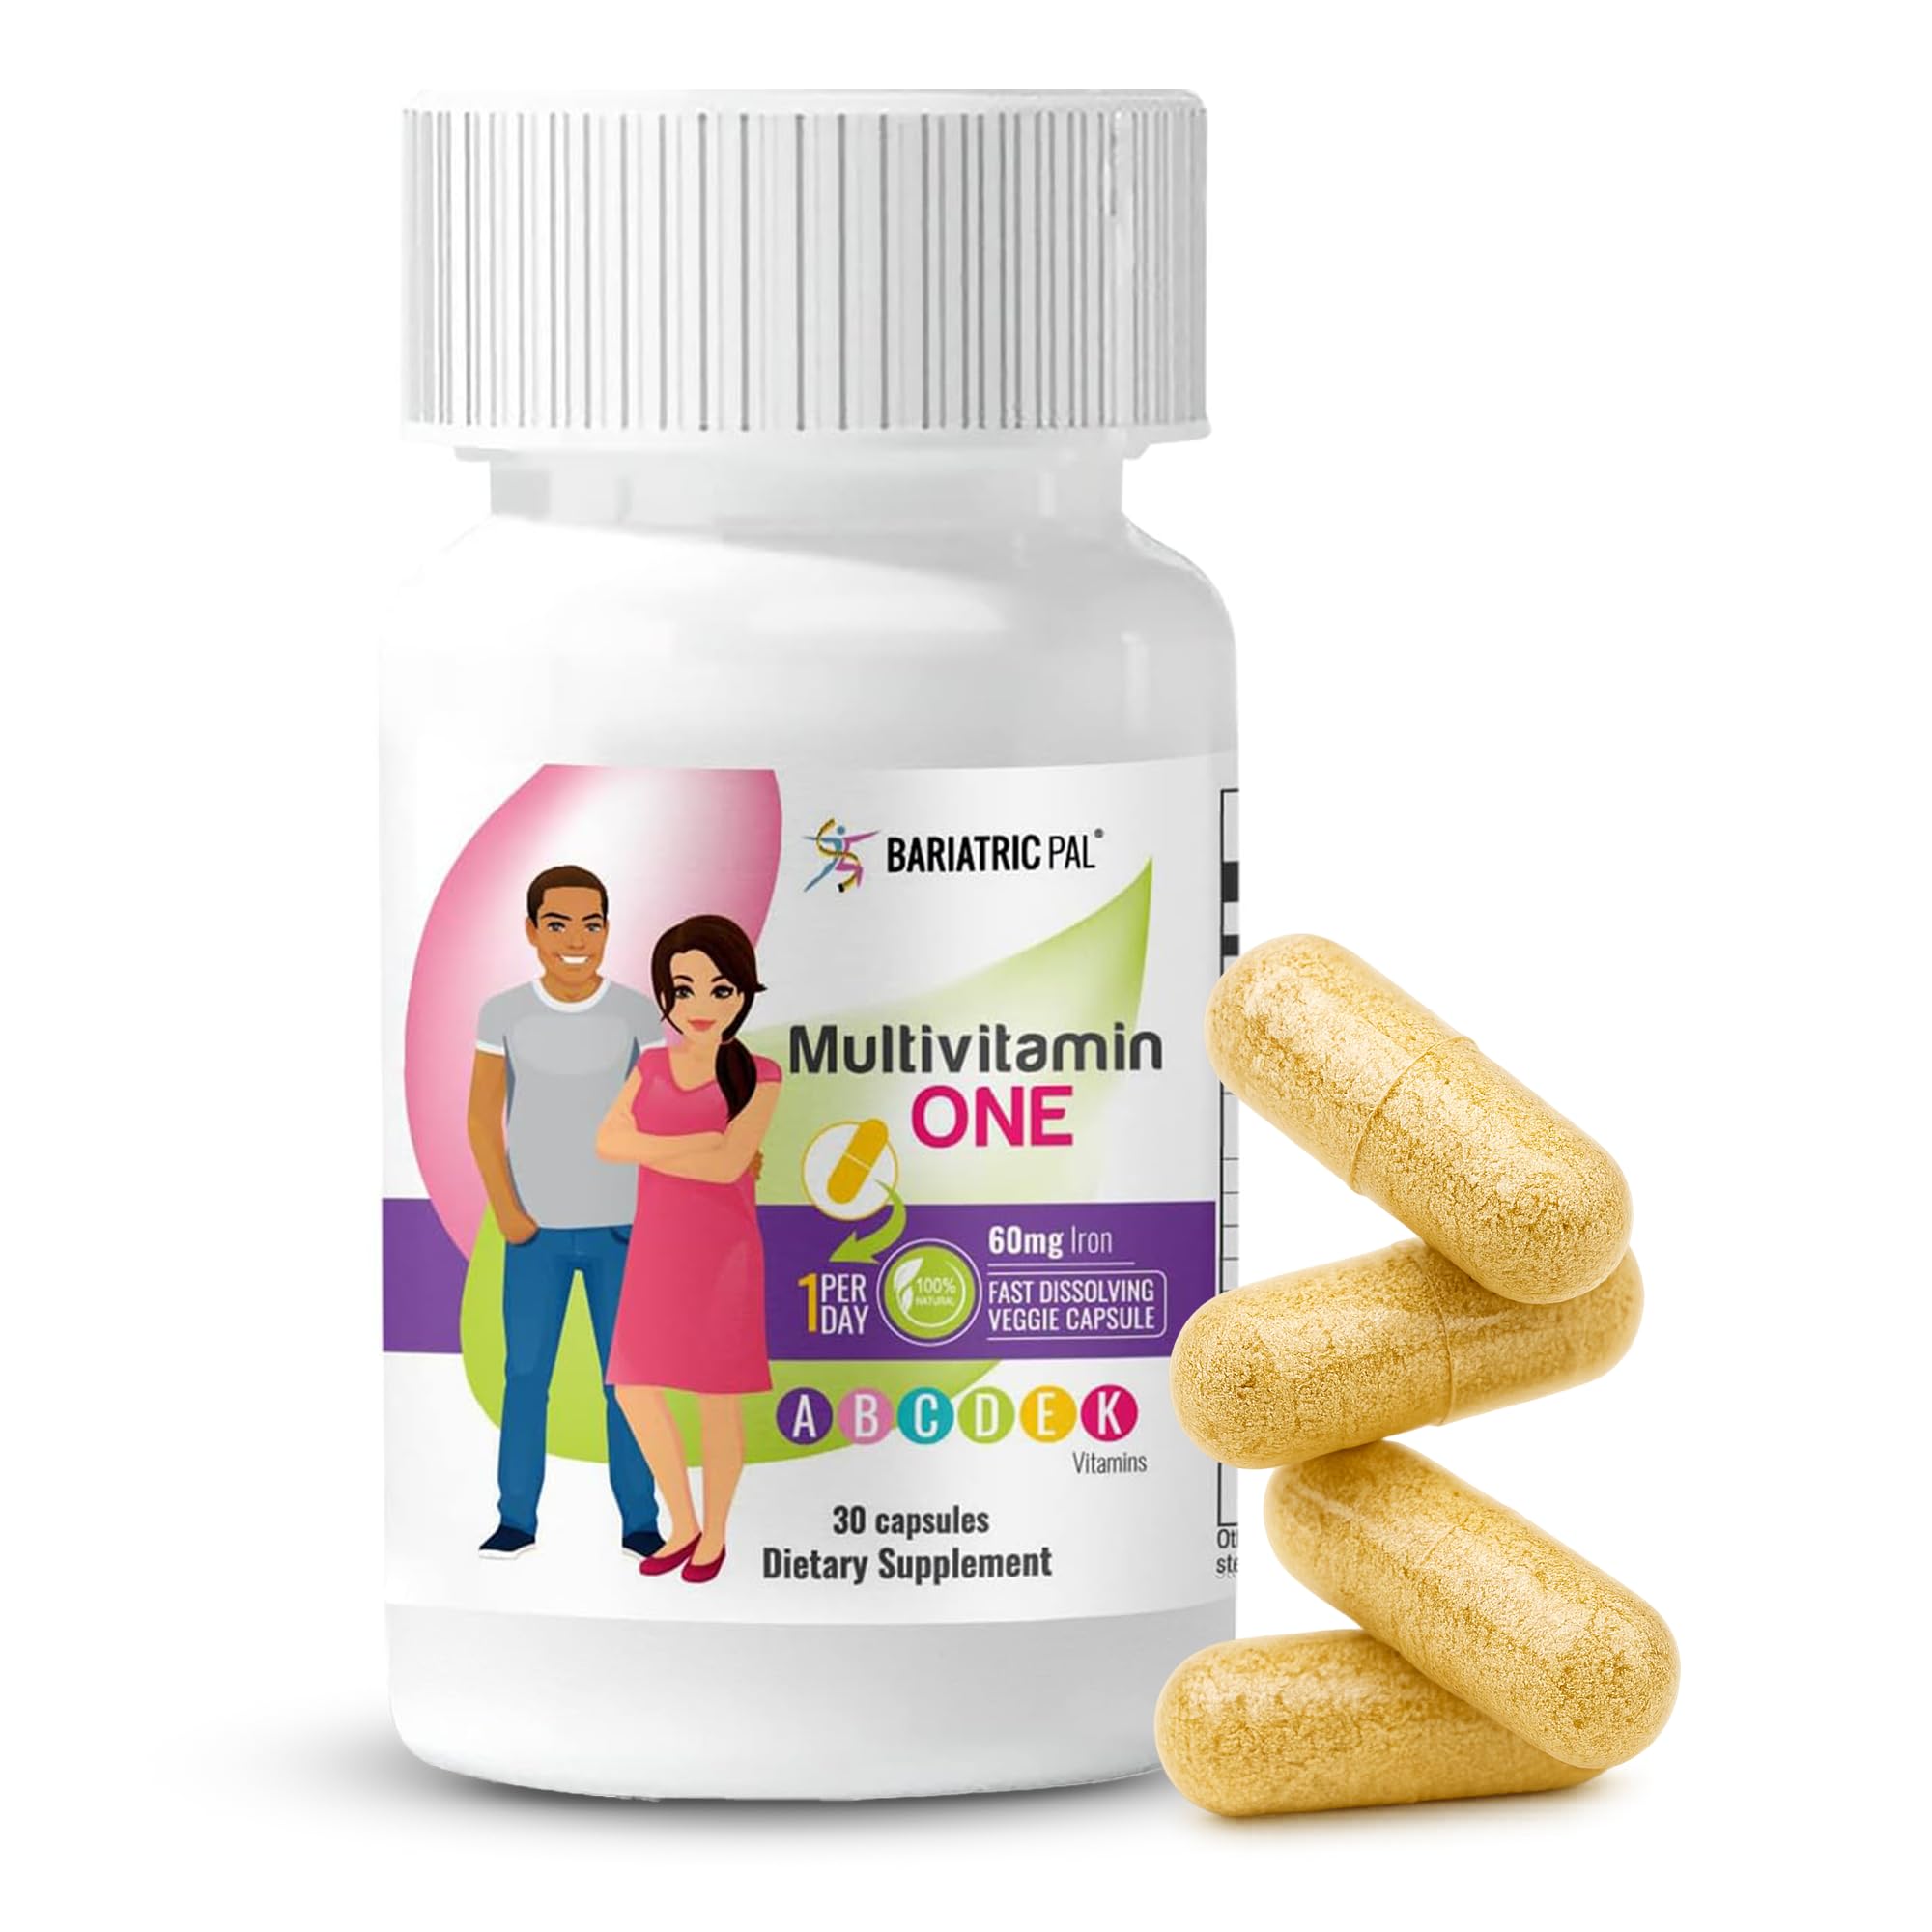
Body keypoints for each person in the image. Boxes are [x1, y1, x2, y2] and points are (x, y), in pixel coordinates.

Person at [467, 866, 662, 1561]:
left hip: (622, 1229)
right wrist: (509, 1213)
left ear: (607, 930)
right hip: (534, 1232)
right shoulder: (505, 1014)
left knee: (628, 1383)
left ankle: (641, 1521)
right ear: (531, 930)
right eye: (558, 924)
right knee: (525, 1378)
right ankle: (516, 1519)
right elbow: (483, 1119)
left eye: (591, 924)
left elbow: (661, 1115)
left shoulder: (636, 1014)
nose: (575, 940)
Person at [596, 914, 781, 1585]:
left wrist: (668, 1150)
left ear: (744, 993)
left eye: (720, 989)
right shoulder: (650, 1066)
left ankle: (716, 1534)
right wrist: (696, 1143)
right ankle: (683, 1521)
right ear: (664, 995)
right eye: (684, 989)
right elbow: (606, 1143)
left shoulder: (759, 1074)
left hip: (725, 1255)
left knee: (717, 1397)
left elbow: (728, 1164)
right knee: (633, 1386)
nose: (701, 1005)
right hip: (658, 1250)